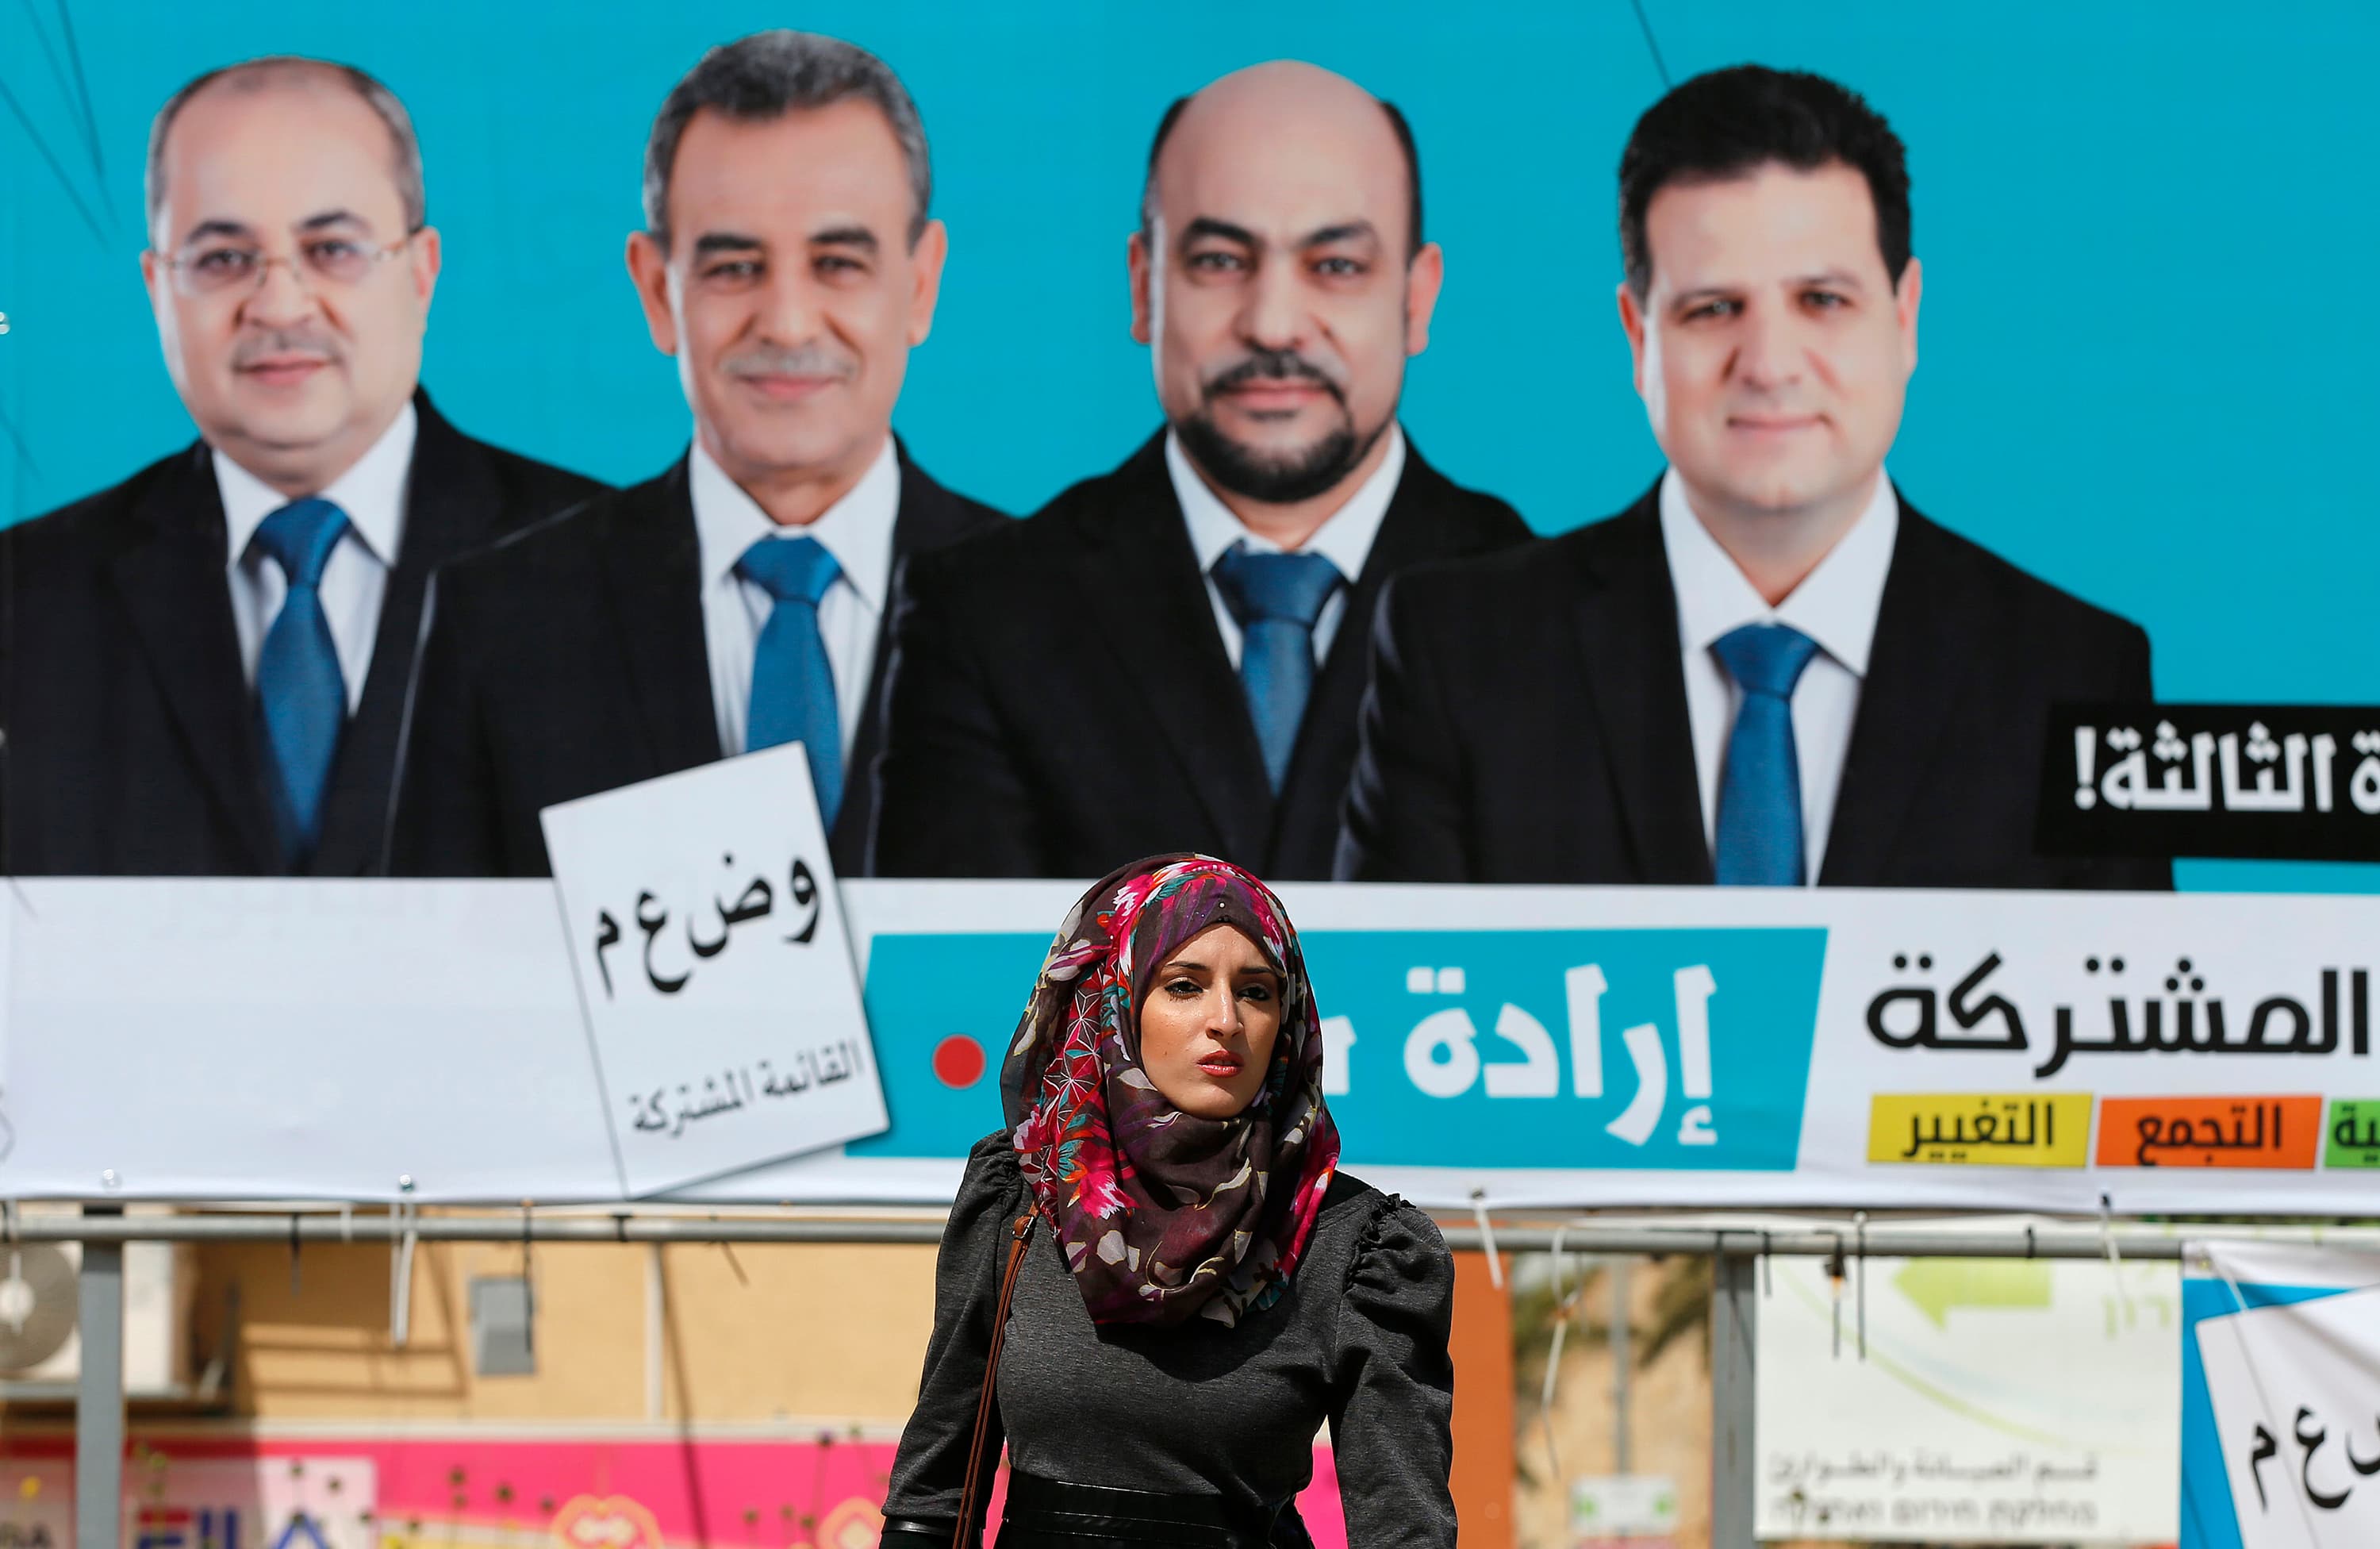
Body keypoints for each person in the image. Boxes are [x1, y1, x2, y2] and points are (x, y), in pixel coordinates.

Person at [1338, 65, 2170, 890]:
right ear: (1639, 336)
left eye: (1823, 300)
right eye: (1714, 309)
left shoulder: (2077, 679)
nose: (1769, 366)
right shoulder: (1460, 656)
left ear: (1904, 316)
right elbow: (1374, 980)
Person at [869, 62, 1529, 882]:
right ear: (1144, 285)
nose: (1274, 325)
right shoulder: (983, 617)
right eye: (1219, 260)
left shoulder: (1542, 620)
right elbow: (960, 962)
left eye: (1335, 265)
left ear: (1416, 297)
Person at [392, 30, 1001, 879]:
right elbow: (428, 958)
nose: (786, 322)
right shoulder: (497, 622)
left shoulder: (1054, 619)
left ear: (921, 284)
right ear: (656, 289)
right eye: (734, 267)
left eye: (837, 262)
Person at [0, 57, 602, 876]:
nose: (279, 306)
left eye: (332, 249)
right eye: (222, 259)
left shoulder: (621, 571)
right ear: (157, 288)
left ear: (421, 272)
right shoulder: (25, 600)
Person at [879, 854, 1454, 1549]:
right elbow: (933, 1495)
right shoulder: (1020, 1199)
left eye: (1257, 992)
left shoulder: (1359, 1246)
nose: (1226, 1020)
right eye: (1184, 986)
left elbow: (1405, 1528)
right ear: (1115, 1003)